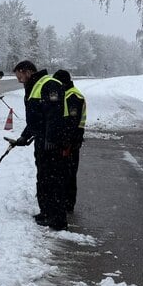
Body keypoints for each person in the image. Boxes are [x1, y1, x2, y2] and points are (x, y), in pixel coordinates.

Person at [8, 60, 68, 231]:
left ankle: (58, 220)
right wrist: (23, 137)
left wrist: (51, 138)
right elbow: (37, 120)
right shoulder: (34, 86)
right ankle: (46, 212)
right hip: (42, 141)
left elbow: (54, 114)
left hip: (52, 142)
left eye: (19, 75)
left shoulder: (49, 84)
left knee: (53, 179)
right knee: (43, 177)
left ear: (27, 71)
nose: (18, 79)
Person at [53, 69, 86, 214]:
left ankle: (68, 204)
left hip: (71, 141)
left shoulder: (73, 96)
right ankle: (63, 201)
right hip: (70, 139)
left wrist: (67, 141)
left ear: (62, 82)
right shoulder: (67, 93)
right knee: (64, 172)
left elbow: (72, 122)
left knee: (69, 173)